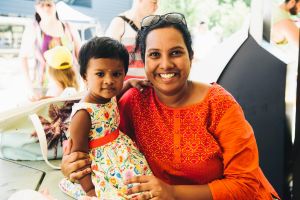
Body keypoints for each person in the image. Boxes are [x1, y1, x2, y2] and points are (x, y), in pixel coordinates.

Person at [61, 13, 280, 199]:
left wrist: (172, 192)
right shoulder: (133, 102)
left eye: (175, 52)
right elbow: (96, 138)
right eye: (154, 54)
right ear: (143, 62)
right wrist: (71, 166)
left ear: (191, 57)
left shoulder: (219, 105)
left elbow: (245, 185)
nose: (165, 64)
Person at [58, 36, 152, 199]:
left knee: (143, 186)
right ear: (85, 77)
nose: (109, 81)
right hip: (101, 166)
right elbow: (78, 156)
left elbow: (118, 92)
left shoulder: (107, 96)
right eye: (100, 74)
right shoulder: (83, 114)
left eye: (116, 74)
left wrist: (130, 84)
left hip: (122, 156)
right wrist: (89, 190)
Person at [19, 0, 82, 101]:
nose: (46, 8)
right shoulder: (33, 28)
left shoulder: (69, 27)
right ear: (36, 7)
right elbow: (23, 57)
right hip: (45, 86)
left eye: (49, 4)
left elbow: (80, 55)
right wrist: (29, 87)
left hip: (70, 84)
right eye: (41, 4)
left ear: (55, 5)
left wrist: (86, 78)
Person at [105, 0, 158, 80]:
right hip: (125, 87)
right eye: (154, 2)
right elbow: (107, 60)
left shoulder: (155, 26)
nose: (157, 7)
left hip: (150, 85)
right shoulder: (120, 22)